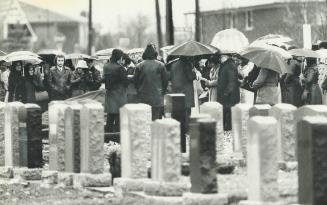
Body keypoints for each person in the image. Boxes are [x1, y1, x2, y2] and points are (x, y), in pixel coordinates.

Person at [134, 43, 168, 120]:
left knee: (144, 118)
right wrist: (163, 92)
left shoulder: (139, 66)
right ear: (155, 54)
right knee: (156, 117)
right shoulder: (161, 65)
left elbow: (135, 80)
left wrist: (139, 90)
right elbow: (165, 81)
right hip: (157, 96)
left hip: (143, 95)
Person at [103, 49, 128, 135]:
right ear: (119, 57)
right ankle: (116, 136)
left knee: (110, 117)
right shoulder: (120, 68)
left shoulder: (105, 66)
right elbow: (125, 82)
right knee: (118, 118)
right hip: (119, 95)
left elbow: (104, 79)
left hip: (109, 94)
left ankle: (107, 135)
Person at [217, 54, 240, 131]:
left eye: (221, 57)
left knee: (228, 111)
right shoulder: (226, 65)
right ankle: (226, 127)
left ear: (226, 57)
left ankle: (228, 128)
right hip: (226, 93)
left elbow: (232, 81)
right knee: (226, 111)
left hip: (229, 95)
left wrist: (226, 92)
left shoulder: (230, 66)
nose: (220, 58)